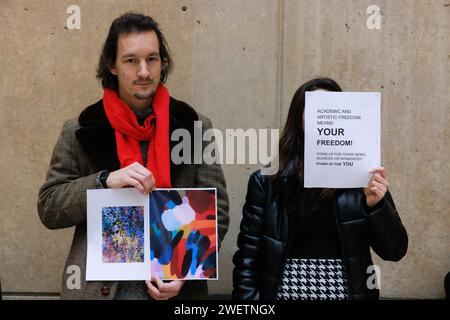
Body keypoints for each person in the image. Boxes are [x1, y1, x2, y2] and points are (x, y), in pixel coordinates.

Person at [37, 12, 229, 300]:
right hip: (101, 290)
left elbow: (218, 209)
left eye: (152, 59)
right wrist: (103, 181)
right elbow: (50, 207)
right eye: (131, 60)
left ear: (162, 64)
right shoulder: (80, 129)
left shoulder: (194, 127)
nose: (143, 71)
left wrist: (184, 272)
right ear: (112, 66)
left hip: (175, 290)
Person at [232, 77, 408, 300]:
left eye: (333, 109)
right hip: (285, 291)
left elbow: (395, 250)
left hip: (345, 292)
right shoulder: (267, 182)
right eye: (316, 109)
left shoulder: (363, 180)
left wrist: (377, 206)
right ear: (299, 118)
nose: (326, 118)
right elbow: (248, 256)